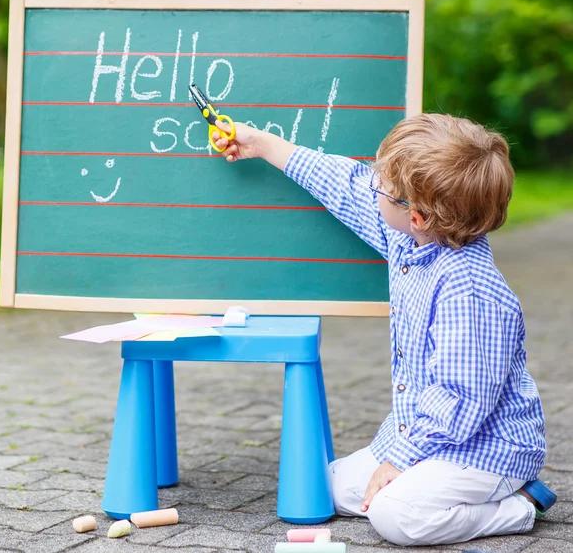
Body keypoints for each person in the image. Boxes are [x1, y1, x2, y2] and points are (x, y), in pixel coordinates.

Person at [212, 113, 557, 547]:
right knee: (329, 488)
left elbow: (460, 400)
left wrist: (400, 461)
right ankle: (425, 490)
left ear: (416, 216)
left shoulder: (469, 294)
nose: (371, 184)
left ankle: (520, 505)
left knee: (397, 517)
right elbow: (345, 185)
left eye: (382, 185)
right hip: (432, 434)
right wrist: (260, 144)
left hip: (487, 450)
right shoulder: (416, 238)